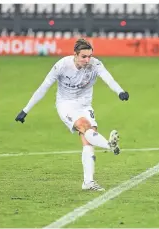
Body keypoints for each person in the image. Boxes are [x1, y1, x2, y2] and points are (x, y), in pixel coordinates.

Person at [14, 38, 129, 191]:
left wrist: (120, 91)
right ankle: (109, 145)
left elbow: (109, 79)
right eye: (84, 56)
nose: (87, 60)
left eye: (89, 56)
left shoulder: (95, 64)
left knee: (88, 140)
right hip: (66, 104)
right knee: (84, 126)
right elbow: (44, 87)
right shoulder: (62, 65)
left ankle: (88, 182)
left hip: (85, 105)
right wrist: (25, 110)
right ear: (75, 54)